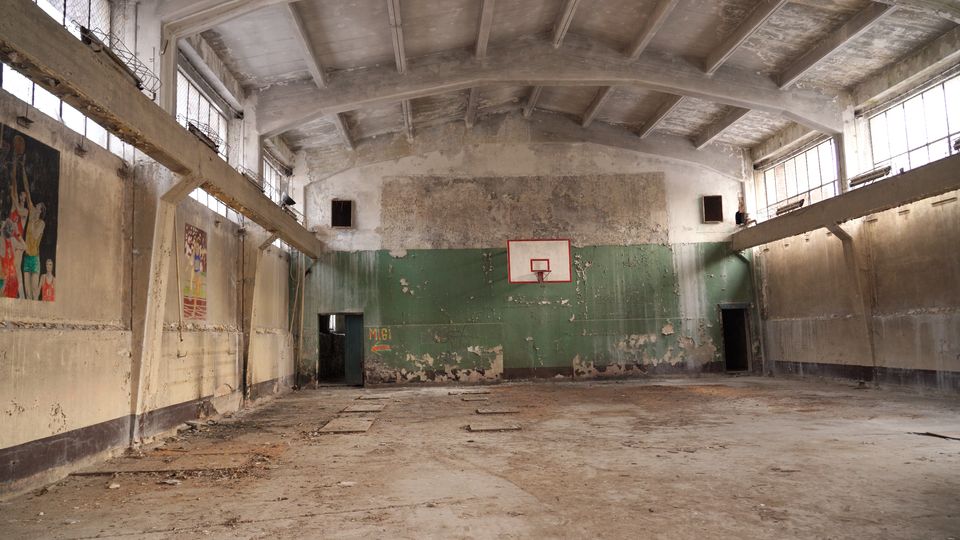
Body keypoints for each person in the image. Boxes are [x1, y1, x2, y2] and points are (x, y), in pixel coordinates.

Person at [21, 160, 46, 300]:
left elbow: (35, 236)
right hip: (27, 257)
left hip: (35, 259)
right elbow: (27, 190)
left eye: (38, 207)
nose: (35, 206)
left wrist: (31, 222)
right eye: (35, 206)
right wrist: (23, 168)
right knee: (27, 293)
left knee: (34, 294)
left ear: (40, 211)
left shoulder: (41, 223)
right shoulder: (32, 215)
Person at [9, 135, 28, 298]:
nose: (22, 195)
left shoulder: (25, 212)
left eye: (24, 195)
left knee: (17, 268)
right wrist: (15, 162)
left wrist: (14, 199)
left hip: (19, 240)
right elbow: (14, 182)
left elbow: (19, 209)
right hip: (11, 239)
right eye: (20, 194)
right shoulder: (13, 207)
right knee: (9, 268)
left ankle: (21, 296)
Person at [1, 218, 25, 299]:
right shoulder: (13, 240)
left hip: (5, 279)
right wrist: (17, 233)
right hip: (12, 279)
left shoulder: (2, 241)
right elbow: (25, 246)